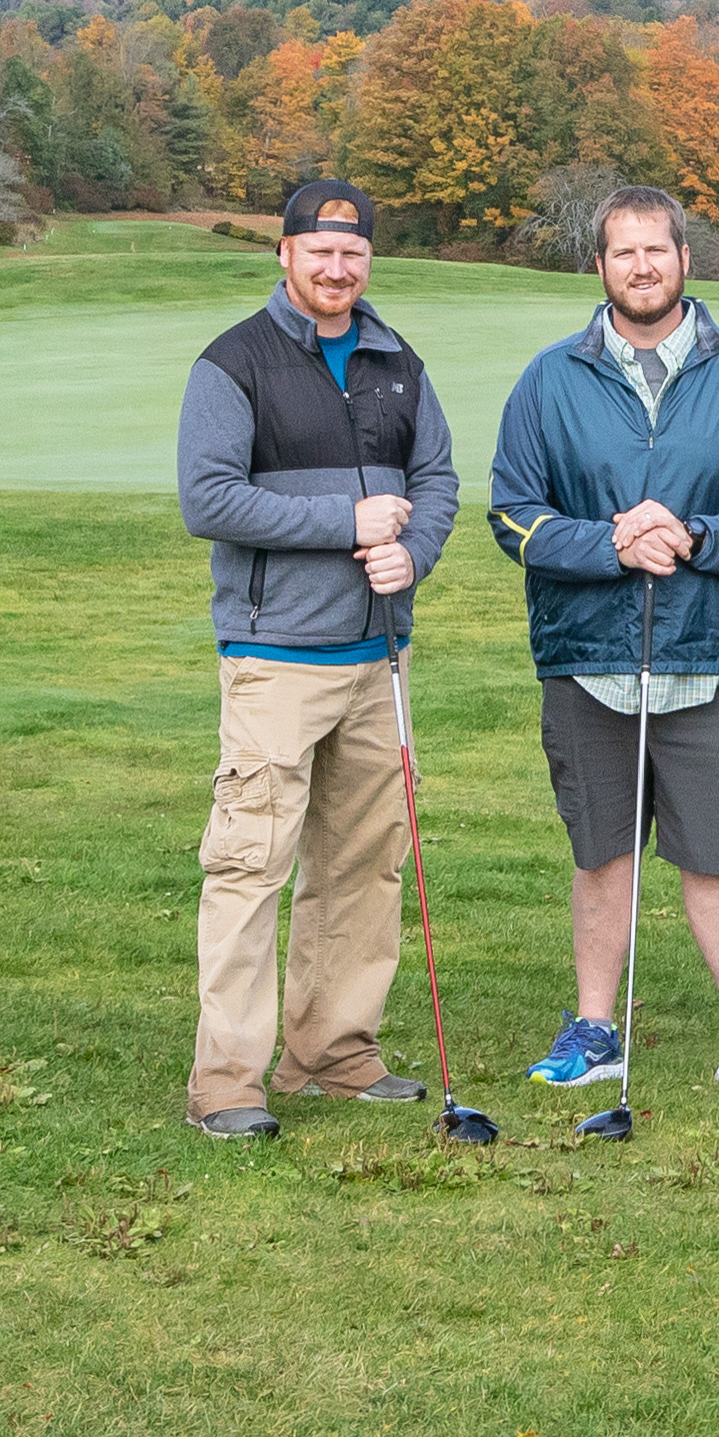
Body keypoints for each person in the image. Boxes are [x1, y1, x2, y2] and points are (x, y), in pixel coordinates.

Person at [486, 185, 719, 1101]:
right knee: (601, 855)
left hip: (707, 654)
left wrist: (695, 535)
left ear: (684, 258)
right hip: (587, 658)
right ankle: (594, 1031)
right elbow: (513, 515)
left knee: (713, 857)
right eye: (623, 252)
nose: (642, 266)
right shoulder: (550, 377)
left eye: (657, 250)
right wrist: (611, 542)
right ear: (598, 266)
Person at [175, 179, 459, 1139]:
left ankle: (332, 1051)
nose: (337, 267)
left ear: (367, 261)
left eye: (353, 252)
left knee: (363, 862)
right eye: (319, 250)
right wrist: (344, 522)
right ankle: (227, 1080)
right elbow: (208, 499)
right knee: (252, 863)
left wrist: (409, 553)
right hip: (275, 656)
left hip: (378, 653)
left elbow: (437, 479)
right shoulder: (234, 362)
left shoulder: (396, 359)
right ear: (285, 254)